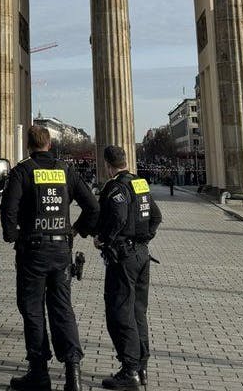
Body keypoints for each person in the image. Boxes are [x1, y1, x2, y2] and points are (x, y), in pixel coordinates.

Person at [1, 125, 99, 391]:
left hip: (33, 250)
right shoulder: (65, 170)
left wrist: (12, 236)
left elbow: (8, 208)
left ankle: (39, 373)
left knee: (33, 311)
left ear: (29, 144)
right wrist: (76, 230)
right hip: (61, 250)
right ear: (50, 143)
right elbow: (92, 205)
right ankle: (73, 374)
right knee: (62, 308)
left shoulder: (23, 170)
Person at [95, 146, 162, 390]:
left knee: (119, 312)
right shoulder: (140, 183)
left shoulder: (116, 187)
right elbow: (156, 216)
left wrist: (104, 239)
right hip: (142, 256)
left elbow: (119, 217)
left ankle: (129, 370)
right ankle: (142, 366)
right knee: (138, 311)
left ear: (107, 164)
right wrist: (144, 238)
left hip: (124, 257)